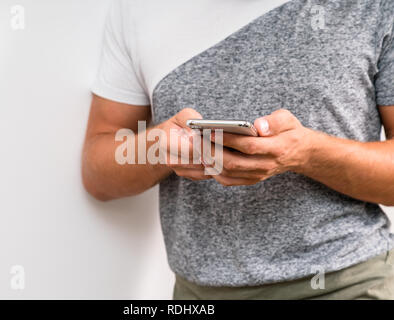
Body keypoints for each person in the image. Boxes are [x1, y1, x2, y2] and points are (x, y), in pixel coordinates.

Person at [82, 0, 394, 299]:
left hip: (347, 285)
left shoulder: (376, 6)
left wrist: (308, 154)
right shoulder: (140, 8)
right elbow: (98, 174)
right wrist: (157, 148)